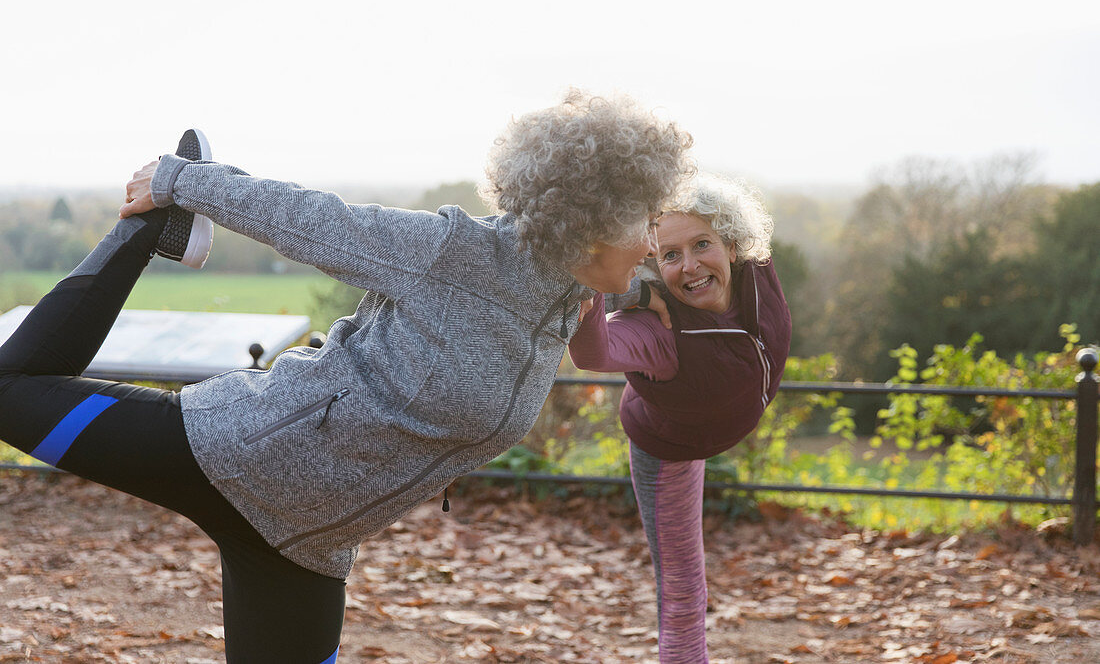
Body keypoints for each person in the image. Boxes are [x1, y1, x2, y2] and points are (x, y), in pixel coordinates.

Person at [0, 90, 693, 664]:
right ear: (592, 221)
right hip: (232, 455)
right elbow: (313, 222)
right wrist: (181, 181)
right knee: (4, 391)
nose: (657, 239)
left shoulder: (569, 298)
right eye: (648, 217)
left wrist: (699, 320)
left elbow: (600, 350)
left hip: (308, 546)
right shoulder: (460, 255)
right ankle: (148, 229)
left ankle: (161, 227)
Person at [569, 173, 791, 663]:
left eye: (702, 244)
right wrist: (628, 294)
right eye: (669, 255)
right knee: (684, 595)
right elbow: (591, 351)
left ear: (733, 244)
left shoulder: (755, 266)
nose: (690, 267)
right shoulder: (656, 330)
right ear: (651, 263)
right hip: (668, 450)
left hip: (712, 422)